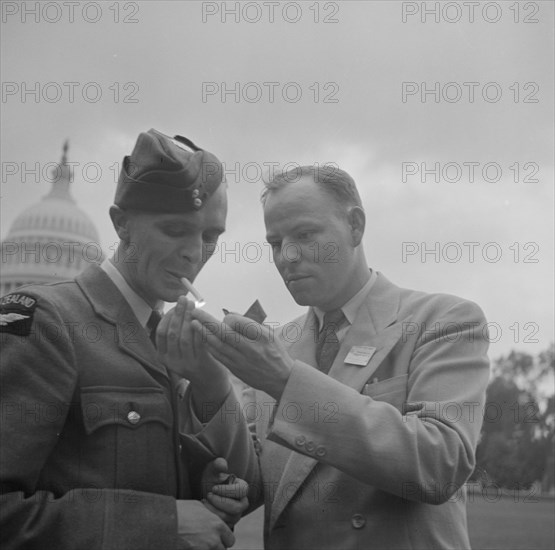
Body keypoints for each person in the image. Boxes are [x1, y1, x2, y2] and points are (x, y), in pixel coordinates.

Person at [192, 165, 490, 549]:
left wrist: (286, 382)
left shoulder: (445, 322)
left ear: (355, 226)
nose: (288, 255)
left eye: (305, 234)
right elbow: (250, 477)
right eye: (275, 242)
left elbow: (440, 465)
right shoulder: (273, 347)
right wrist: (205, 381)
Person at [0, 129, 258, 550]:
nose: (196, 252)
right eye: (175, 230)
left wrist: (212, 385)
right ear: (121, 223)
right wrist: (161, 524)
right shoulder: (47, 323)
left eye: (211, 236)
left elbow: (250, 490)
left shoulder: (173, 341)